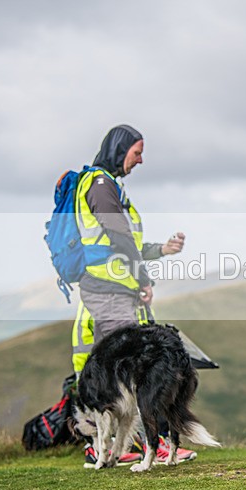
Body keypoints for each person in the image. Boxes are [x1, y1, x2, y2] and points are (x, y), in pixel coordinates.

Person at [72, 124, 193, 466]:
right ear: (120, 148)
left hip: (113, 290)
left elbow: (124, 243)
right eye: (137, 152)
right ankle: (130, 446)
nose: (140, 161)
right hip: (108, 292)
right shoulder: (100, 186)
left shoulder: (108, 186)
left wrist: (159, 250)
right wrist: (142, 279)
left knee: (125, 375)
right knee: (126, 375)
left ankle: (131, 444)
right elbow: (121, 240)